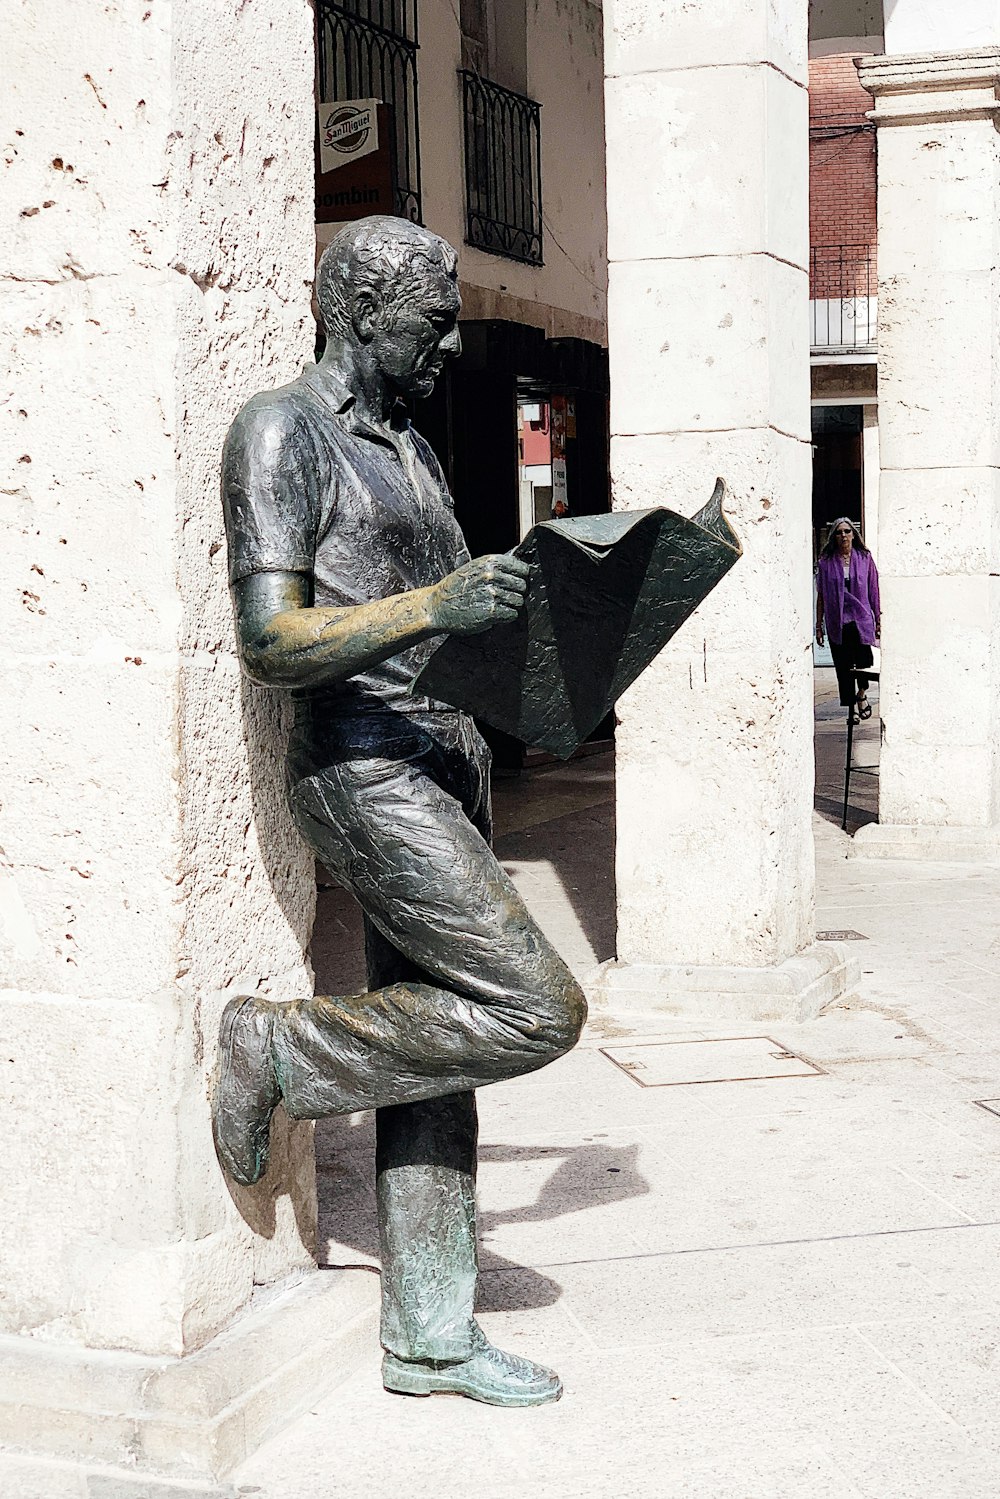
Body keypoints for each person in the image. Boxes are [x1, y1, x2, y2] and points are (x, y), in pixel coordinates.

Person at [212, 216, 585, 1407]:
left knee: (439, 1058)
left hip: (446, 754)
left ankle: (431, 1332)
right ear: (360, 313)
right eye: (430, 326)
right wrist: (437, 601)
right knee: (531, 1005)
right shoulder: (282, 433)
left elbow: (455, 613)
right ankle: (279, 1045)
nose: (448, 348)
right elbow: (272, 639)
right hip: (364, 769)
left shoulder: (412, 448)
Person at [815, 517, 881, 721]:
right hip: (838, 620)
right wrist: (819, 625)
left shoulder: (864, 558)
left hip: (860, 619)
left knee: (863, 662)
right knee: (843, 666)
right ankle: (850, 708)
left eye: (847, 531)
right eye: (838, 532)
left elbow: (873, 589)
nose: (843, 535)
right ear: (833, 536)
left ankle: (861, 694)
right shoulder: (826, 563)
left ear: (854, 534)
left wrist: (878, 619)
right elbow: (822, 596)